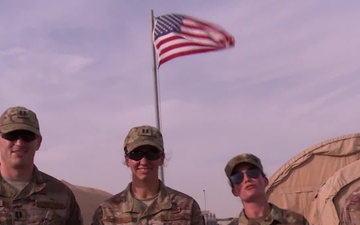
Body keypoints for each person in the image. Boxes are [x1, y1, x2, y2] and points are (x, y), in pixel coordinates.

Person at [92, 125, 204, 225]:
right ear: (127, 160)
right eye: (136, 154)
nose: (144, 161)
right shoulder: (107, 213)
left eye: (152, 153)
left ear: (161, 158)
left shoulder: (187, 208)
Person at [0, 106, 83, 224]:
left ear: (38, 142)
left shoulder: (63, 196)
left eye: (27, 136)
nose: (19, 143)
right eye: (11, 135)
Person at [224, 153, 309, 225]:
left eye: (253, 172)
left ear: (265, 181)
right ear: (234, 191)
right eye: (238, 177)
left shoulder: (296, 221)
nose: (247, 179)